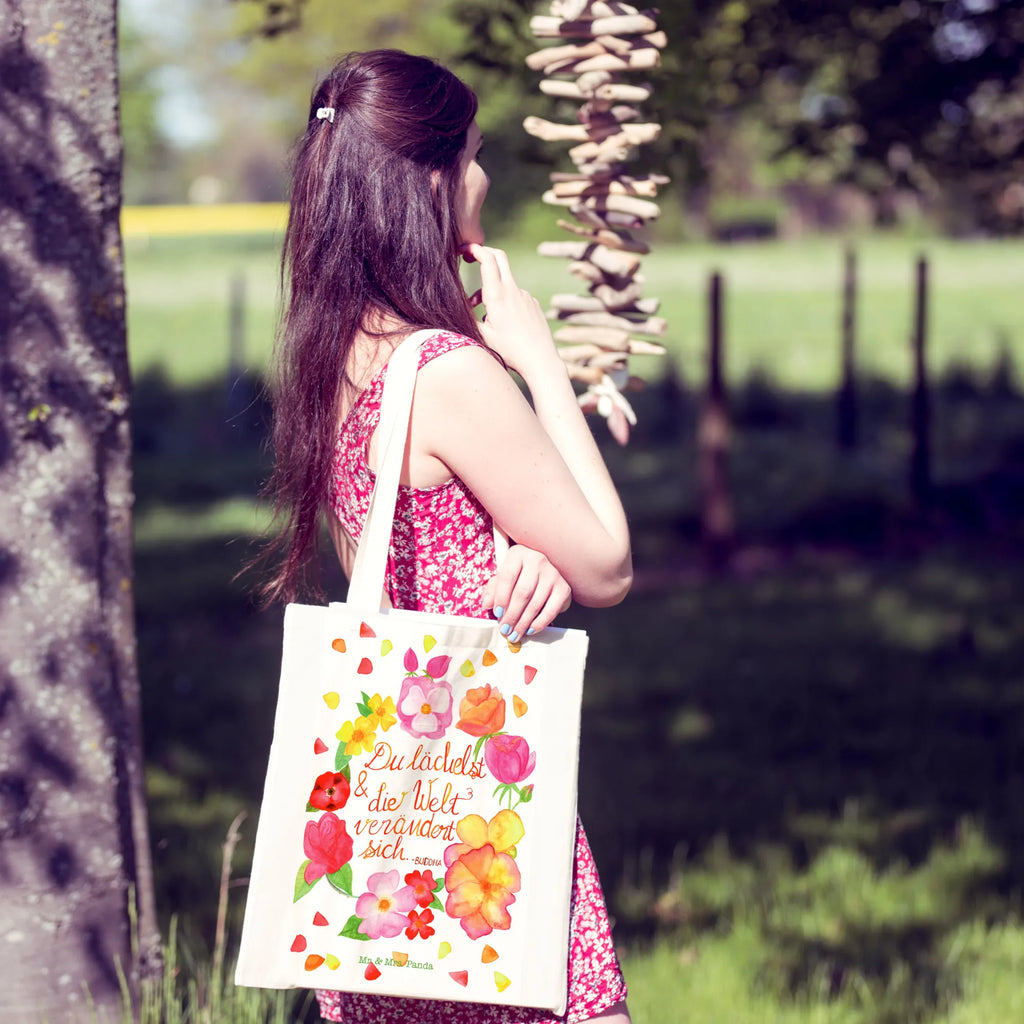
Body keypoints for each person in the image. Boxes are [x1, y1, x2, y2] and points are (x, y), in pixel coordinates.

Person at [261, 48, 633, 1024]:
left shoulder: (335, 352)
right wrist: (540, 363)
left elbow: (398, 551)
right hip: (472, 825)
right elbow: (608, 562)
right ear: (429, 179)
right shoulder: (449, 373)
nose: (484, 177)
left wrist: (517, 554)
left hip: (388, 829)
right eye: (471, 154)